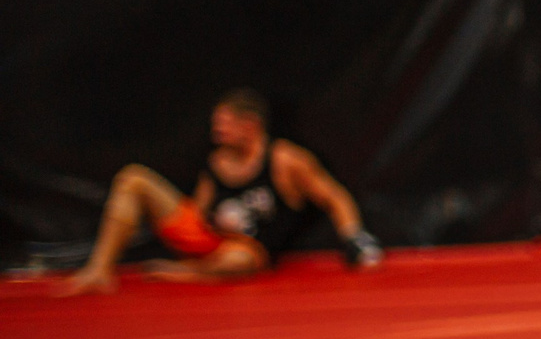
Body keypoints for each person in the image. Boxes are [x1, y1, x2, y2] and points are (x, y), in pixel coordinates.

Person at [55, 88, 381, 295]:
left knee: (240, 258)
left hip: (246, 250)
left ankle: (188, 274)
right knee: (133, 178)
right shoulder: (217, 160)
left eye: (224, 126)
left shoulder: (285, 159)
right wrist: (188, 227)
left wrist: (353, 236)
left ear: (249, 125)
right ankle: (100, 268)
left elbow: (334, 196)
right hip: (210, 238)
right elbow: (198, 212)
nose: (217, 132)